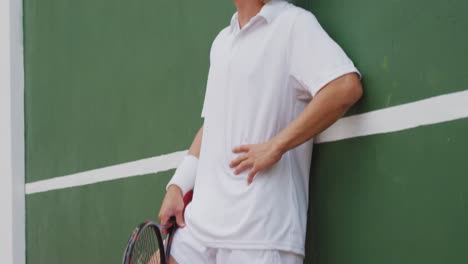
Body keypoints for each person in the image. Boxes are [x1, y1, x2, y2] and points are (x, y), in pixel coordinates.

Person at [159, 0, 363, 263]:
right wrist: (178, 185)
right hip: (200, 226)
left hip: (260, 235)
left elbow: (345, 87)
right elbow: (213, 124)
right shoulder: (222, 41)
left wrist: (276, 145)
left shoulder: (293, 24)